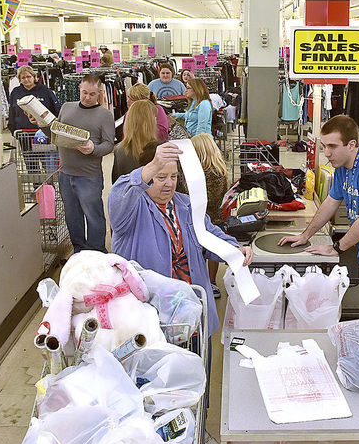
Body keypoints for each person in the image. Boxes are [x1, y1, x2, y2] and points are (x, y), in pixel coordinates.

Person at [108, 140, 253, 335]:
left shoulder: (185, 205)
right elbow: (117, 195)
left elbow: (209, 235)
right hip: (152, 320)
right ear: (147, 173)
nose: (169, 183)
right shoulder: (131, 209)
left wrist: (233, 251)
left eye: (173, 176)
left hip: (193, 314)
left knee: (198, 361)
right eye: (161, 176)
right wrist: (153, 165)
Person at [279, 115, 359, 316]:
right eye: (324, 146)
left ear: (352, 145)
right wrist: (304, 236)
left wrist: (336, 248)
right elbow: (330, 204)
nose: (327, 153)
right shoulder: (342, 167)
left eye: (332, 146)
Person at [31, 74, 115, 253]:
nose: (87, 97)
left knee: (93, 216)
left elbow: (109, 145)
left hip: (89, 176)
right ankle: (79, 249)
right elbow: (55, 135)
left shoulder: (105, 115)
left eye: (92, 94)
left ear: (100, 92)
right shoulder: (66, 108)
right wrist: (40, 123)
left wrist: (93, 149)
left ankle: (96, 252)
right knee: (72, 216)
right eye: (85, 92)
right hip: (66, 173)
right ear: (79, 88)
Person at [191, 133, 229, 299]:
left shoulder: (211, 173)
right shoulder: (218, 170)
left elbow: (209, 199)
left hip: (209, 220)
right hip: (215, 218)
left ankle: (210, 282)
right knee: (209, 252)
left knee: (206, 252)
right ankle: (209, 281)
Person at [8, 65, 61, 175]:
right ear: (19, 79)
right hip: (24, 135)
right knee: (31, 165)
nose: (26, 79)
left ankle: (48, 188)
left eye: (28, 76)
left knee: (48, 165)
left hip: (43, 134)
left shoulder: (45, 91)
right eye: (23, 78)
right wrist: (12, 129)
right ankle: (37, 188)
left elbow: (56, 110)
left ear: (34, 77)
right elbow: (12, 112)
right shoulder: (16, 92)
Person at [112, 100, 157, 183]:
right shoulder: (159, 150)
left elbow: (116, 182)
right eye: (154, 117)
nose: (156, 120)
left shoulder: (119, 150)